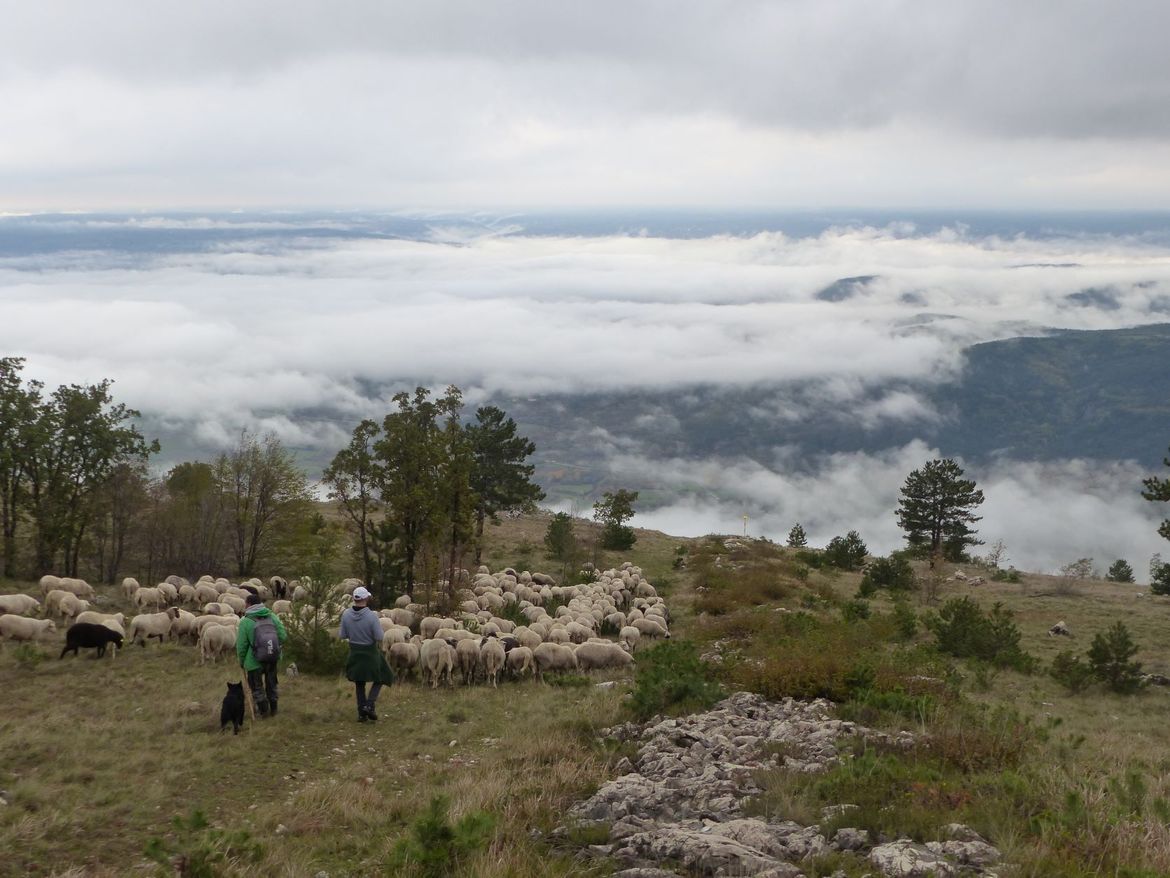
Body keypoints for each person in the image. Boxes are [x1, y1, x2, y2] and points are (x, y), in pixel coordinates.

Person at [339, 586, 394, 722]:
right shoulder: (371, 616)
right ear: (366, 598)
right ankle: (369, 705)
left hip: (354, 651)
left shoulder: (346, 614)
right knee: (383, 675)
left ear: (354, 599)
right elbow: (379, 636)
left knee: (359, 682)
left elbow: (343, 635)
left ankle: (361, 713)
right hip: (369, 651)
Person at [236, 593, 287, 718]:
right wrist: (272, 647)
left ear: (248, 604)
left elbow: (241, 646)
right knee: (272, 684)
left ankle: (263, 711)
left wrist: (241, 661)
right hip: (272, 657)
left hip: (254, 661)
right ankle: (274, 709)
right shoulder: (272, 617)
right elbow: (283, 636)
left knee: (256, 686)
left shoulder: (245, 621)